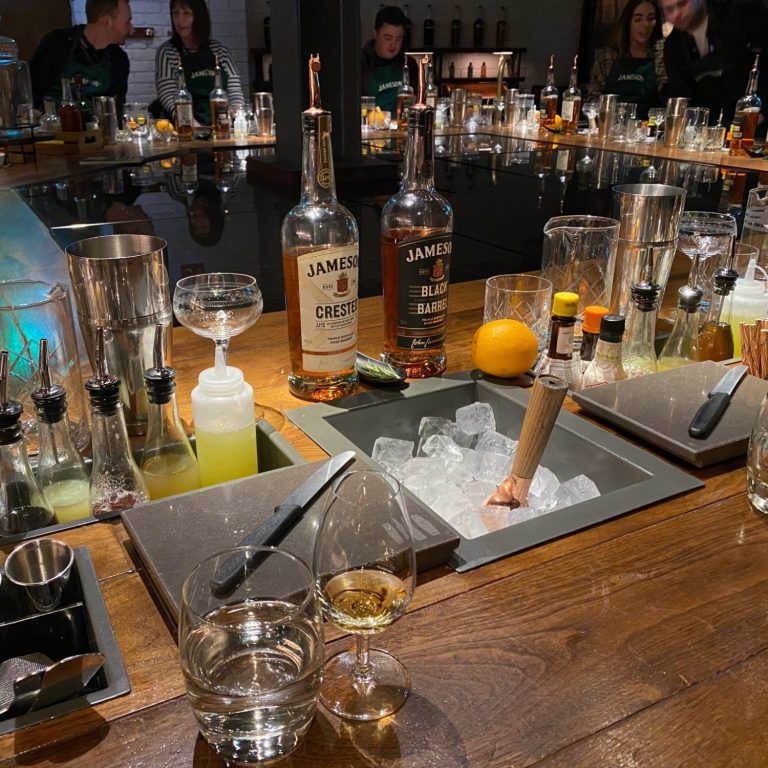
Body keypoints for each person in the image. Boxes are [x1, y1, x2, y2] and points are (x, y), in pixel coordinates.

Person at [662, 0, 768, 125]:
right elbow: (682, 96)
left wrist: (764, 113)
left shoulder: (742, 14)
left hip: (756, 120)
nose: (677, 14)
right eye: (669, 10)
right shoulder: (673, 45)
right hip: (711, 131)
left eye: (682, 4)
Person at [29, 0, 133, 116]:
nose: (131, 30)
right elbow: (31, 95)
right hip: (54, 130)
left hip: (96, 131)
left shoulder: (118, 59)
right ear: (107, 22)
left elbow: (116, 111)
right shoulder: (57, 43)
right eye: (127, 22)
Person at [155, 0, 245, 128]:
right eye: (175, 13)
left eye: (186, 13)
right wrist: (196, 128)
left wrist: (234, 116)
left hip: (222, 128)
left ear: (199, 17)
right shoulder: (168, 52)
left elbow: (235, 92)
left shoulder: (219, 50)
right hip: (187, 130)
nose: (180, 20)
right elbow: (168, 96)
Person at [588, 0, 667, 119]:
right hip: (610, 127)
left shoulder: (661, 54)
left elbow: (666, 100)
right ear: (627, 23)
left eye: (650, 19)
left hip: (647, 129)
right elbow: (592, 98)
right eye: (638, 19)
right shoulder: (607, 56)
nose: (645, 24)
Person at [361, 5, 417, 114]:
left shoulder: (409, 64)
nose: (393, 45)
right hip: (369, 128)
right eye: (388, 38)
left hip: (401, 128)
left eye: (398, 39)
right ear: (375, 34)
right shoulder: (360, 62)